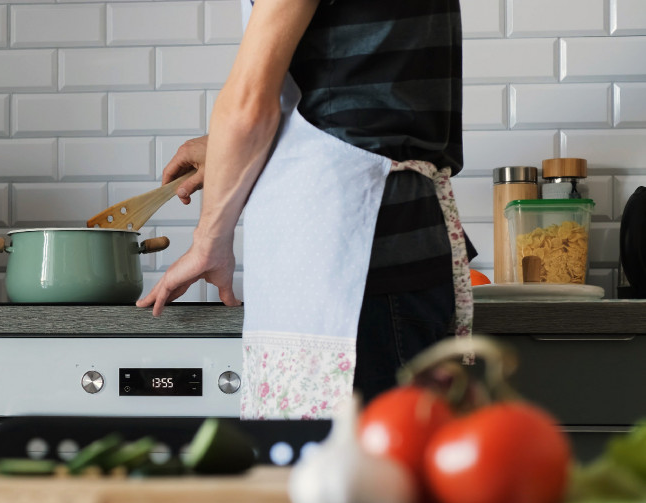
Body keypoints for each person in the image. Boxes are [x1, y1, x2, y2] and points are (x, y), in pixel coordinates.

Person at [137, 0, 475, 417]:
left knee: (349, 473)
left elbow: (248, 104)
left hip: (350, 257)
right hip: (400, 244)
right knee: (392, 469)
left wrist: (209, 241)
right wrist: (223, 150)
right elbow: (358, 90)